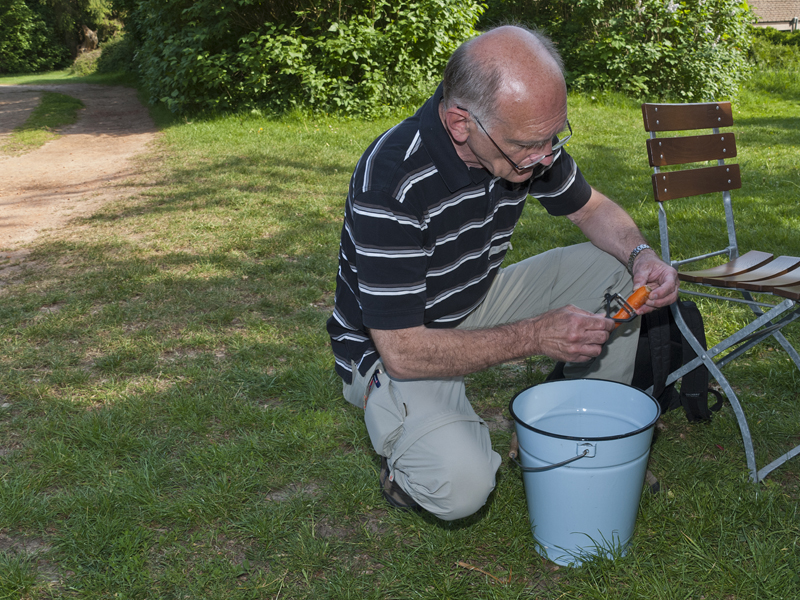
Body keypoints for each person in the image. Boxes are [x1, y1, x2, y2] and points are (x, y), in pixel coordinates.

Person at [326, 25, 679, 521]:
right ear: (459, 124)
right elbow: (404, 351)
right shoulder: (392, 183)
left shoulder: (525, 146)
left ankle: (573, 427)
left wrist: (641, 254)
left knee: (615, 269)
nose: (546, 158)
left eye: (553, 138)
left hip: (472, 299)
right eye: (531, 145)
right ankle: (406, 456)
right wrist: (535, 335)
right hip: (392, 347)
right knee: (462, 488)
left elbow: (591, 209)